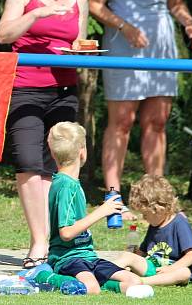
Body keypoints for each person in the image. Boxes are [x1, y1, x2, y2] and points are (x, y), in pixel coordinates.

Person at [88, 0, 192, 218]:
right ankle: (113, 197)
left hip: (161, 48)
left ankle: (157, 195)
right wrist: (124, 27)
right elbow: (96, 3)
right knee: (122, 121)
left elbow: (175, 3)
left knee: (158, 121)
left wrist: (190, 26)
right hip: (126, 47)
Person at [0, 0, 88, 268]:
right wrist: (36, 15)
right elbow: (3, 34)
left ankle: (59, 242)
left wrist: (80, 49)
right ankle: (38, 244)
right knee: (28, 163)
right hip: (26, 88)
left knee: (61, 167)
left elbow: (81, 42)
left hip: (64, 90)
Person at [45, 122, 147, 295]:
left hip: (88, 257)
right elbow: (66, 233)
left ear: (52, 153)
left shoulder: (73, 183)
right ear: (82, 151)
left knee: (134, 281)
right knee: (91, 288)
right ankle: (44, 276)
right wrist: (101, 212)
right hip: (66, 258)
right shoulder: (65, 186)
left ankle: (101, 284)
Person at [114, 174, 192, 285]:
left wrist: (172, 268)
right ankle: (107, 273)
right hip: (153, 267)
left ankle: (141, 282)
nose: (144, 218)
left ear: (158, 208)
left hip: (173, 270)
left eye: (145, 214)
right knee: (127, 256)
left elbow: (191, 255)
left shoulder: (179, 222)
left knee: (184, 273)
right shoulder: (154, 225)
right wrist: (133, 251)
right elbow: (143, 253)